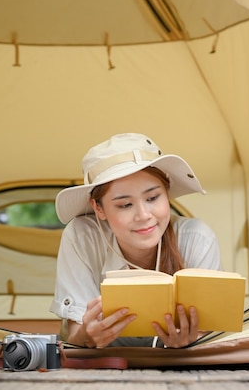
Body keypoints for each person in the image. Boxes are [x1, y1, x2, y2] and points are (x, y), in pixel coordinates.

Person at [50, 133, 222, 349]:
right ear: (98, 208)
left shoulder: (198, 238)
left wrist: (191, 342)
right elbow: (75, 336)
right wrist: (86, 335)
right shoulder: (82, 237)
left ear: (166, 192)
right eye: (125, 205)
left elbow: (210, 336)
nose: (143, 215)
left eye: (152, 198)